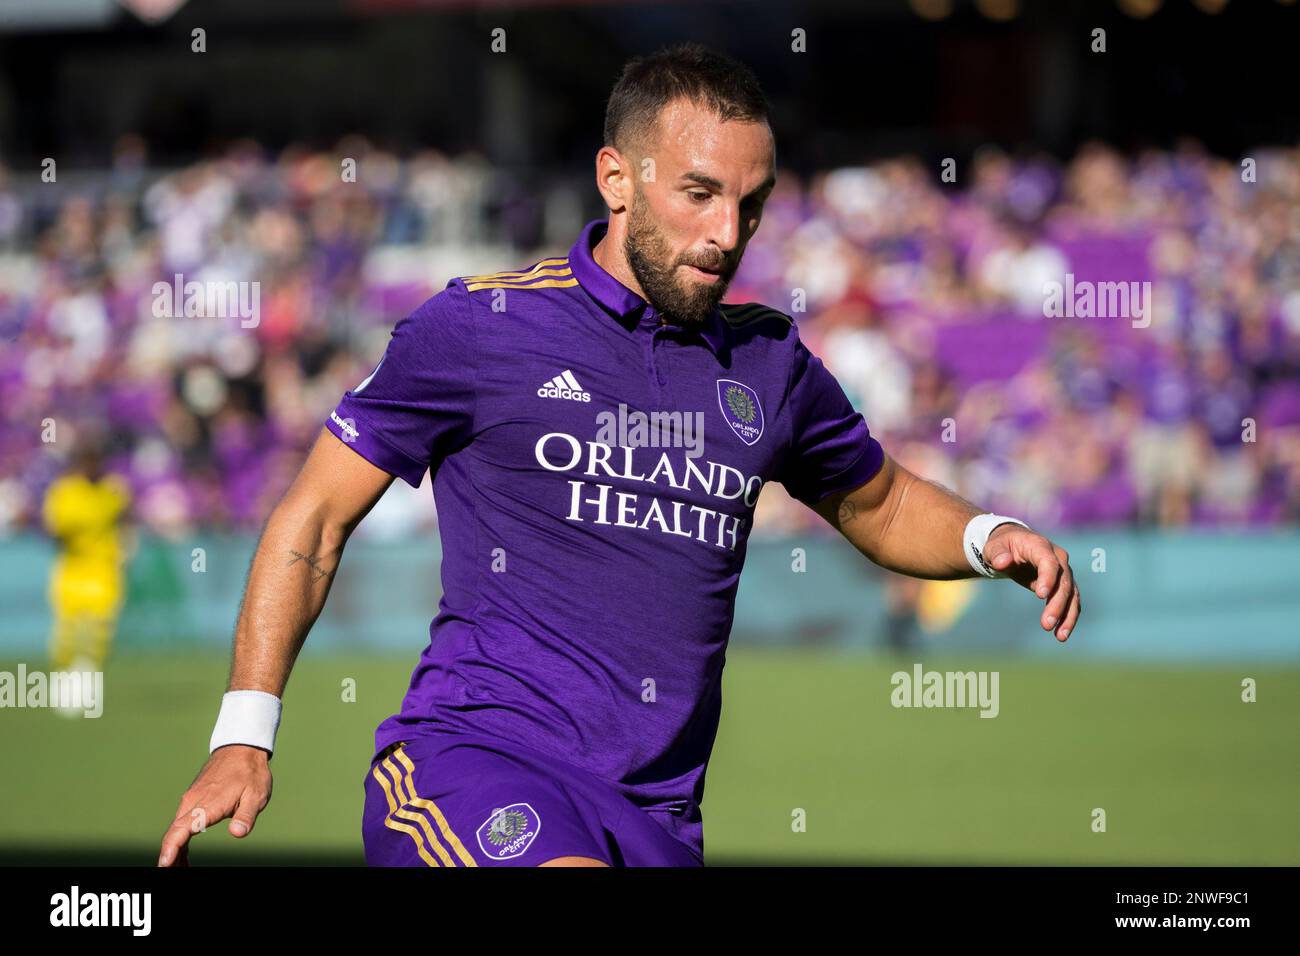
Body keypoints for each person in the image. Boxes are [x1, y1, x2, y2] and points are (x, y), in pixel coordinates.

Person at [158, 43, 1080, 868]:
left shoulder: (771, 363)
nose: (728, 234)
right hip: (473, 766)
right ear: (617, 178)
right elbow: (314, 517)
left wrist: (985, 533)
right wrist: (246, 732)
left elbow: (878, 505)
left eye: (750, 206)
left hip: (657, 818)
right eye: (699, 193)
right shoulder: (481, 328)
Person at [43, 434, 132, 706]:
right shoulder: (65, 492)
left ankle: (87, 682)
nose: (93, 467)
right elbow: (53, 532)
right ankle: (62, 682)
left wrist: (127, 543)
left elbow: (125, 518)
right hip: (73, 568)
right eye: (88, 461)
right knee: (68, 629)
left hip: (104, 568)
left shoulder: (114, 490)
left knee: (99, 628)